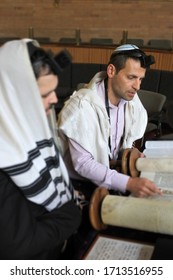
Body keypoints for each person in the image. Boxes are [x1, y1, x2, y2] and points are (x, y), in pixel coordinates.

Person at [0, 38, 81, 260]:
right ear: (14, 99)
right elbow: (17, 246)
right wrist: (71, 215)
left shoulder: (26, 127)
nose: (54, 99)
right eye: (45, 94)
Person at [57, 44, 162, 201]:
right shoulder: (81, 106)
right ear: (111, 71)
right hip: (77, 185)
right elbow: (83, 164)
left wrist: (133, 155)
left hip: (109, 176)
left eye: (140, 79)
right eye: (131, 77)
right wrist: (129, 183)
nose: (137, 86)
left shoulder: (131, 100)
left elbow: (126, 142)